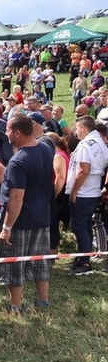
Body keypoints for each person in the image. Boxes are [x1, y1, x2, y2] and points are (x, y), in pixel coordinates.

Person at [0, 114, 54, 312]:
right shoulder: (46, 149)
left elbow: (16, 198)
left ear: (17, 133)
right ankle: (43, 301)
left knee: (15, 264)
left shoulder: (18, 161)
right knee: (40, 261)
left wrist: (7, 227)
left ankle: (15, 306)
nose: (6, 134)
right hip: (42, 216)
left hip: (20, 221)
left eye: (7, 130)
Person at [65, 116, 108, 275]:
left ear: (83, 128)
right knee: (86, 226)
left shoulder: (85, 145)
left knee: (79, 227)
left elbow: (83, 171)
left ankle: (84, 262)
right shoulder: (100, 142)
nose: (76, 132)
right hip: (93, 190)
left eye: (77, 129)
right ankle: (84, 255)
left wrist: (74, 191)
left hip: (83, 192)